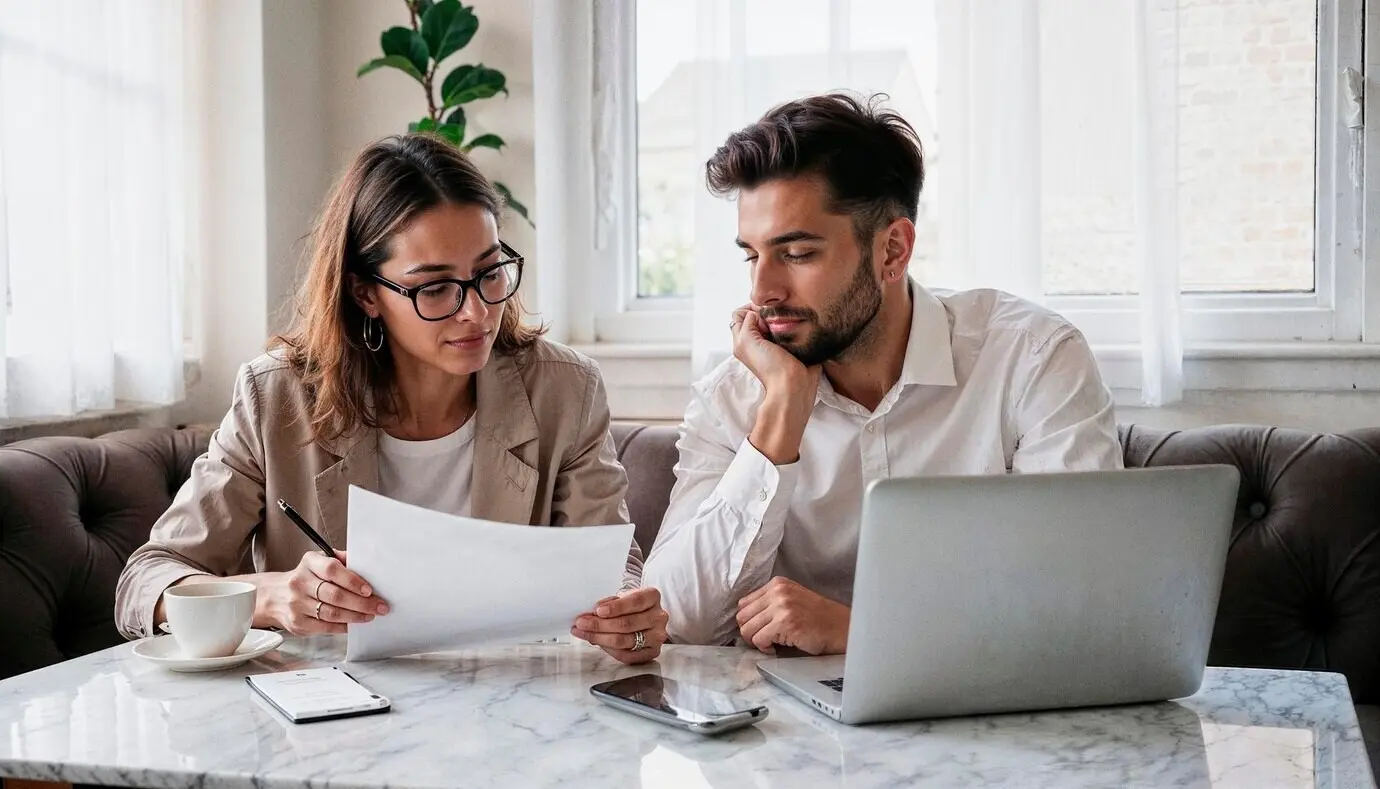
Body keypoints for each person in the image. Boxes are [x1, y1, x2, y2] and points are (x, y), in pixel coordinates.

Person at [115, 134, 668, 664]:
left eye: (489, 272)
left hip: (510, 707)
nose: (476, 312)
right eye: (435, 287)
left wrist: (626, 614)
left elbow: (612, 562)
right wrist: (272, 596)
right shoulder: (276, 397)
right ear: (365, 294)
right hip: (330, 714)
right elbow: (148, 579)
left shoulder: (564, 389)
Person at [642, 93, 1122, 654]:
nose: (762, 292)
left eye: (795, 253)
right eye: (752, 255)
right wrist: (778, 421)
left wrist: (860, 631)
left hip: (986, 724)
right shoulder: (737, 394)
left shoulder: (1032, 359)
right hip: (780, 729)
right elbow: (679, 618)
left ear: (892, 249)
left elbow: (1081, 601)